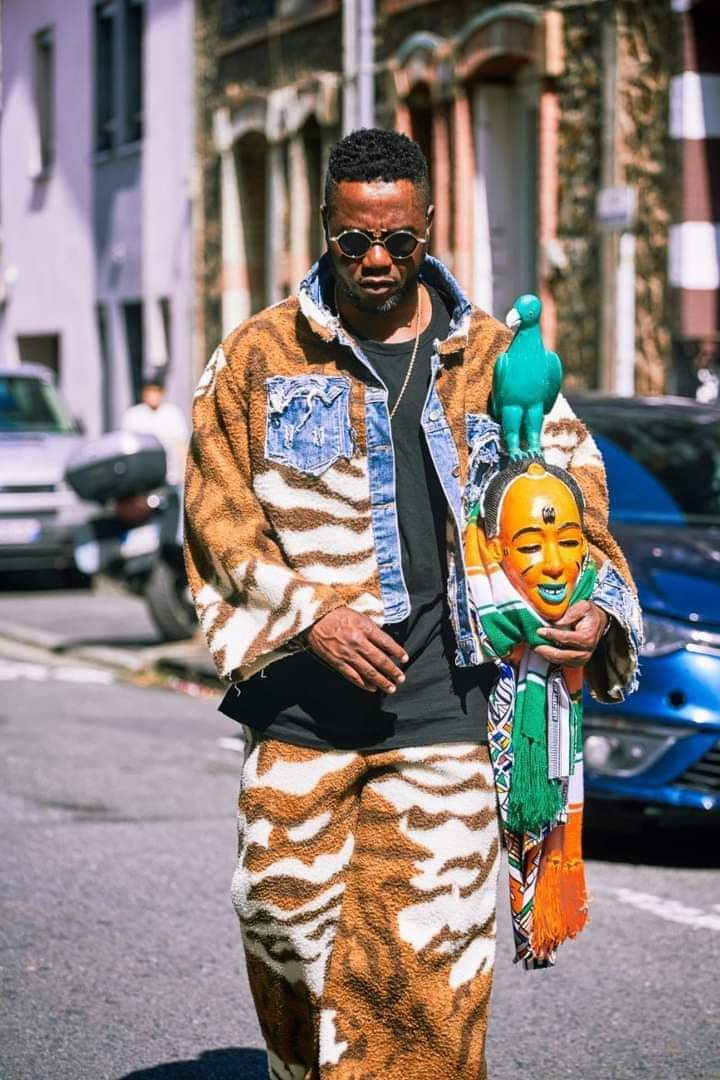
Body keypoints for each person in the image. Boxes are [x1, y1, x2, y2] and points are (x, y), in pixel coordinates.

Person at [184, 129, 642, 1079]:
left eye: (399, 238)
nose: (380, 260)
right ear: (326, 228)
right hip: (304, 716)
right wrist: (311, 609)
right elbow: (217, 519)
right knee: (282, 923)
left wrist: (596, 605)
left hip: (448, 715)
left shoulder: (493, 358)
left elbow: (577, 495)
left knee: (422, 970)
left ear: (429, 223)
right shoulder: (259, 356)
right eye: (356, 242)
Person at [121, 376, 189, 484]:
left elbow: (182, 446)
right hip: (141, 475)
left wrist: (184, 475)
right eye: (150, 392)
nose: (153, 396)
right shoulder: (132, 415)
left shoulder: (173, 413)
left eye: (156, 392)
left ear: (162, 393)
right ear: (144, 394)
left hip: (170, 474)